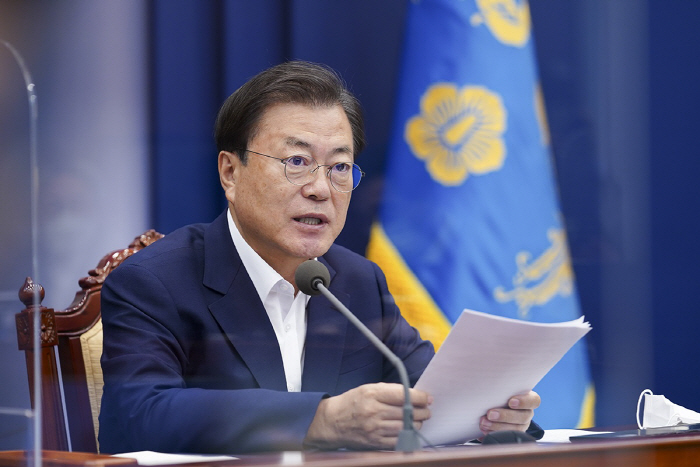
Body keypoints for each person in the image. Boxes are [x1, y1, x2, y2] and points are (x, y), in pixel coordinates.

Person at [98, 60, 540, 454]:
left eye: (340, 167)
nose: (321, 189)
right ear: (230, 173)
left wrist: (492, 415)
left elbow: (430, 391)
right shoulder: (155, 282)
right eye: (296, 161)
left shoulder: (358, 282)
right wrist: (321, 420)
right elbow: (139, 415)